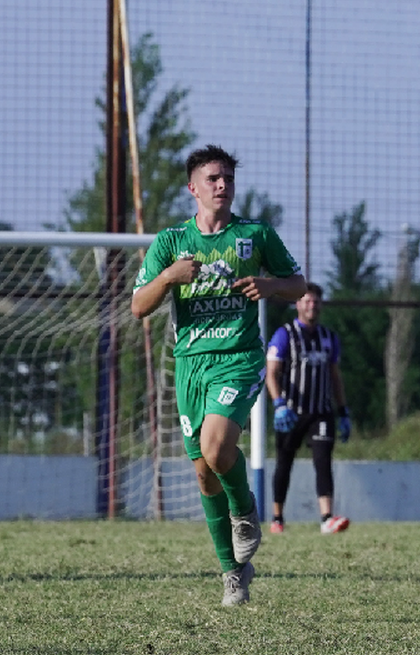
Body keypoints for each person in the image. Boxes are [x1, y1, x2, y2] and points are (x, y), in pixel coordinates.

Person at [131, 145, 306, 605]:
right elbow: (137, 307)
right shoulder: (171, 243)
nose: (222, 185)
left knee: (215, 447)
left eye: (227, 177)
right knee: (204, 473)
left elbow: (298, 285)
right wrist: (169, 277)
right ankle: (233, 573)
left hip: (238, 356)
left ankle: (246, 510)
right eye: (212, 178)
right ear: (193, 188)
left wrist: (270, 286)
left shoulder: (254, 235)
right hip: (190, 365)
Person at [266, 283, 353, 535]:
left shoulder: (328, 337)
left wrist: (343, 410)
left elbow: (335, 376)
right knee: (284, 462)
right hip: (291, 411)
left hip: (321, 411)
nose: (311, 305)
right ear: (297, 304)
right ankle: (277, 518)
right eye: (306, 301)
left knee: (323, 460)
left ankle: (327, 517)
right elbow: (271, 373)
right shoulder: (285, 334)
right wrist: (279, 404)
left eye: (315, 301)